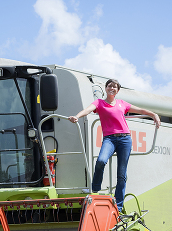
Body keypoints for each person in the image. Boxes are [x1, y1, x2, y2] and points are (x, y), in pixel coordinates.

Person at [68, 79, 160, 210]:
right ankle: (95, 189)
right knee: (101, 161)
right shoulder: (99, 103)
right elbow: (88, 110)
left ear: (117, 91)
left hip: (125, 139)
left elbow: (140, 110)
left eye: (115, 87)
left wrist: (154, 114)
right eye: (109, 86)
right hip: (109, 139)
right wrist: (77, 116)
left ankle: (119, 206)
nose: (112, 88)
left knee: (122, 174)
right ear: (105, 88)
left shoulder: (122, 104)